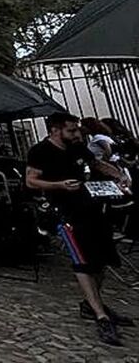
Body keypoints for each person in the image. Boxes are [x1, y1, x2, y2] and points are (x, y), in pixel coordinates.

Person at [26, 112, 133, 347]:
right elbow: (31, 180)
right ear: (55, 130)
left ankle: (91, 303)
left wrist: (119, 176)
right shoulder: (39, 151)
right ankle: (100, 314)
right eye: (71, 130)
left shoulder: (77, 147)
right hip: (64, 211)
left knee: (103, 257)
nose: (77, 134)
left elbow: (96, 164)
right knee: (82, 260)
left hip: (91, 206)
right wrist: (59, 185)